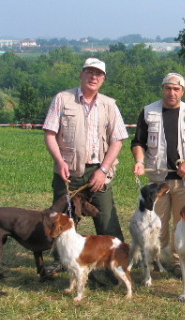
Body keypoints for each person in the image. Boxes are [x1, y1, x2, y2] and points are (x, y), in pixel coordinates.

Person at [43, 58, 128, 272]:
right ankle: (61, 261)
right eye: (89, 72)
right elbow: (50, 134)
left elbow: (117, 140)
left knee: (107, 219)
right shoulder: (63, 99)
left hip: (99, 171)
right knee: (63, 220)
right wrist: (59, 161)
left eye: (98, 74)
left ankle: (116, 262)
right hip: (68, 172)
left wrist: (103, 170)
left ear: (103, 79)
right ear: (81, 74)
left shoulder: (109, 105)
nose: (93, 77)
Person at [131, 73, 185, 275]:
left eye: (176, 89)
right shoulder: (148, 112)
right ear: (162, 89)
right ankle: (157, 259)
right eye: (168, 88)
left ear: (183, 91)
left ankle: (176, 261)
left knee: (182, 222)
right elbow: (138, 142)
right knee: (157, 224)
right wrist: (139, 161)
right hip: (158, 182)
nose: (171, 92)